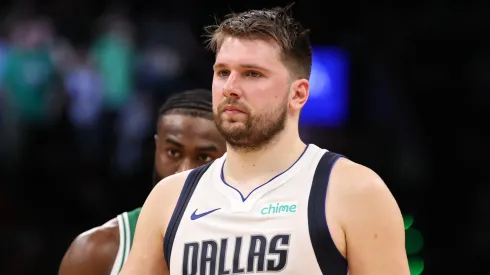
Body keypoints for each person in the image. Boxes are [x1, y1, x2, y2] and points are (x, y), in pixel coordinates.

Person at [120, 5, 410, 275]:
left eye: (252, 74)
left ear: (298, 94)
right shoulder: (168, 198)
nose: (230, 87)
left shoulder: (355, 191)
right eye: (223, 72)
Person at [58, 89, 226, 275]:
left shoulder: (254, 247)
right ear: (156, 149)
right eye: (173, 152)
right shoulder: (97, 251)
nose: (184, 171)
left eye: (203, 157)